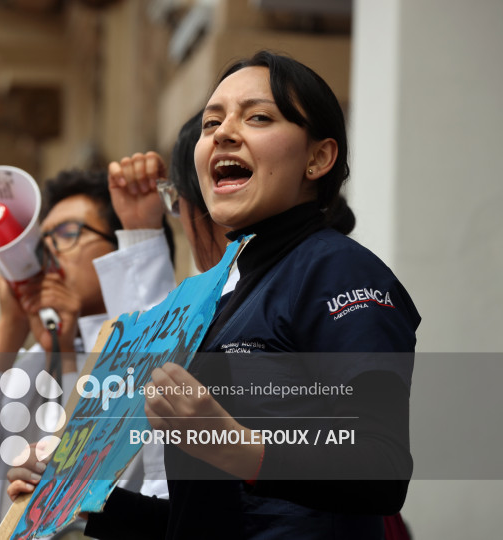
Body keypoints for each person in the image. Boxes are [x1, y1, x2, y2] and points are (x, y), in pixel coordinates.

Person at [138, 50, 420, 539]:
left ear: (318, 158)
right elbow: (223, 512)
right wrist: (83, 506)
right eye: (211, 123)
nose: (223, 133)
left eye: (258, 117)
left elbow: (382, 465)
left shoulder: (337, 270)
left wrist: (236, 448)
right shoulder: (230, 292)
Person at [0, 168, 177, 540]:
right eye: (43, 237)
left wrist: (66, 359)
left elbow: (78, 469)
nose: (48, 250)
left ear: (120, 250)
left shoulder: (153, 343)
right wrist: (8, 330)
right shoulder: (29, 359)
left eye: (69, 233)